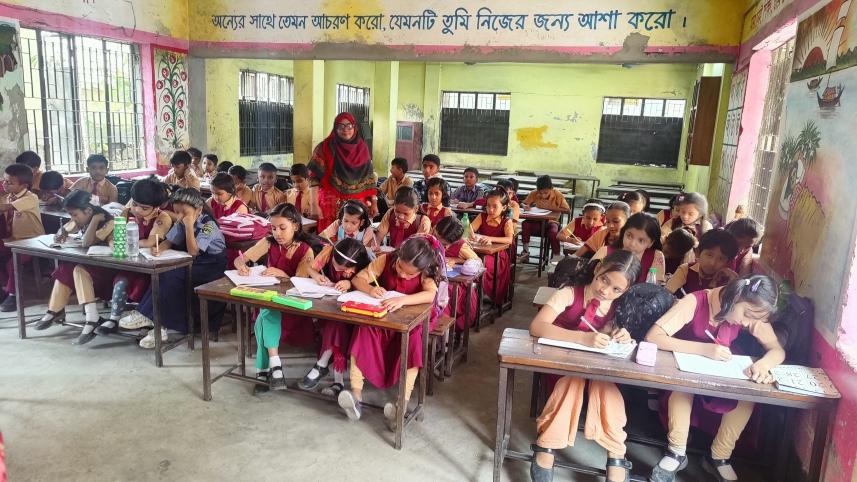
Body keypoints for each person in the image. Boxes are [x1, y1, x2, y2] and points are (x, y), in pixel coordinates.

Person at [646, 276, 783, 482]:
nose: (747, 323)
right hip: (685, 372)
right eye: (746, 314)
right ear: (735, 296)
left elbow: (777, 350)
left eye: (754, 319)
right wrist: (703, 349)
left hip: (721, 376)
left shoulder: (750, 312)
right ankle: (676, 452)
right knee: (683, 389)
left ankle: (718, 456)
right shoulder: (695, 301)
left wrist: (764, 364)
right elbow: (653, 336)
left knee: (747, 396)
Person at [529, 250, 641, 482]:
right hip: (558, 363)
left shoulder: (614, 308)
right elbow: (537, 326)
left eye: (615, 290)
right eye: (604, 280)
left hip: (593, 367)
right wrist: (581, 338)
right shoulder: (570, 294)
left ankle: (615, 451)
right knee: (573, 380)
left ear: (625, 291)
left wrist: (620, 335)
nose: (605, 290)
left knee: (606, 387)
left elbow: (608, 334)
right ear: (598, 268)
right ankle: (547, 444)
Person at [338, 235, 445, 430]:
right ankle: (356, 396)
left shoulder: (425, 271)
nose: (403, 275)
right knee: (363, 331)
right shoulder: (386, 259)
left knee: (413, 345)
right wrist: (370, 290)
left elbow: (430, 294)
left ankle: (401, 407)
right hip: (385, 316)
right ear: (398, 256)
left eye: (409, 275)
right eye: (400, 268)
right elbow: (358, 279)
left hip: (412, 321)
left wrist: (402, 300)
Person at [123, 188, 227, 348]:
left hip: (210, 268)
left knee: (171, 275)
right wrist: (160, 249)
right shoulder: (181, 221)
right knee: (162, 273)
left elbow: (193, 251)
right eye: (176, 212)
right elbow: (169, 241)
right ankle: (158, 325)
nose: (179, 217)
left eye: (183, 213)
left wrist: (188, 227)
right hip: (192, 263)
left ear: (198, 209)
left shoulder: (209, 226)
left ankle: (151, 318)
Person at [234, 203, 315, 390]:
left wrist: (282, 273)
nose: (277, 233)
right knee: (266, 312)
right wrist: (242, 267)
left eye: (282, 228)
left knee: (265, 315)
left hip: (291, 303)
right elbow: (240, 259)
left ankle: (263, 371)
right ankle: (275, 366)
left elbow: (300, 283)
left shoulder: (305, 250)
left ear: (295, 225)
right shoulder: (268, 242)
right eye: (273, 228)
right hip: (268, 296)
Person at [33, 190, 115, 344]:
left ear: (89, 211)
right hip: (89, 270)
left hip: (108, 273)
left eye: (75, 215)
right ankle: (55, 310)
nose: (73, 218)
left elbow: (87, 243)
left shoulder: (108, 221)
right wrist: (61, 232)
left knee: (77, 268)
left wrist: (95, 220)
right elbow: (66, 228)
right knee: (66, 268)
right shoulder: (81, 218)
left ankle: (92, 317)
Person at [299, 238, 371, 395]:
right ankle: (336, 381)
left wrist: (350, 283)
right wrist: (317, 277)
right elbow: (310, 268)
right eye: (335, 266)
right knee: (335, 324)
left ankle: (323, 366)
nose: (338, 271)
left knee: (337, 326)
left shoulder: (365, 264)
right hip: (330, 305)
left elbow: (367, 285)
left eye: (344, 270)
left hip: (354, 314)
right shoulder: (329, 251)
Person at [308, 112, 378, 232]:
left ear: (354, 127)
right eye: (340, 126)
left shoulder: (362, 148)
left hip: (357, 206)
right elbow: (314, 178)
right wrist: (314, 205)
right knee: (329, 240)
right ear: (335, 128)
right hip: (331, 205)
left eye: (349, 126)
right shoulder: (324, 147)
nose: (345, 130)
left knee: (354, 241)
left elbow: (369, 179)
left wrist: (374, 203)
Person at [0, 164, 45, 311]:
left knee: (13, 262)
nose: (5, 184)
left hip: (32, 241)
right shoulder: (7, 197)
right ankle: (5, 289)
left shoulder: (31, 198)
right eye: (4, 181)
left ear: (24, 185)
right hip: (13, 240)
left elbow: (7, 208)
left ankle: (13, 295)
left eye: (10, 183)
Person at [434, 216, 481, 331]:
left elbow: (478, 261)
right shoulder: (431, 238)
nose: (438, 243)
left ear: (454, 241)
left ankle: (442, 329)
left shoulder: (461, 247)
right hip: (434, 276)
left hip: (453, 282)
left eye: (444, 244)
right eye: (436, 237)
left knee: (444, 293)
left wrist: (456, 260)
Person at [593, 212, 666, 284]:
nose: (632, 244)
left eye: (641, 240)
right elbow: (587, 281)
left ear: (651, 243)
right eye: (629, 236)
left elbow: (654, 289)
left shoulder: (656, 257)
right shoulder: (605, 252)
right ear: (623, 232)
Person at [469, 188, 514, 303]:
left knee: (481, 263)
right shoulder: (482, 216)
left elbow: (509, 240)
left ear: (504, 207)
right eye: (488, 206)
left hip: (499, 255)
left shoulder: (506, 221)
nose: (490, 209)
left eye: (495, 206)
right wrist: (472, 235)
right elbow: (470, 229)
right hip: (482, 250)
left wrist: (490, 239)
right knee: (470, 261)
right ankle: (473, 291)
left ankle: (483, 291)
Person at [666, 229, 738, 297]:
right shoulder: (686, 270)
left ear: (727, 262)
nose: (712, 263)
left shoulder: (728, 278)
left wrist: (733, 284)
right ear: (698, 253)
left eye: (721, 259)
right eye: (709, 255)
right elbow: (666, 295)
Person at [520, 175, 570, 262]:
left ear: (551, 188)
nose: (543, 195)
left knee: (553, 233)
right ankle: (525, 252)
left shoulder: (557, 194)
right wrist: (525, 206)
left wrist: (550, 208)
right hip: (536, 222)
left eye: (546, 193)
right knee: (525, 224)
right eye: (540, 192)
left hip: (551, 222)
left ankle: (556, 256)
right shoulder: (534, 193)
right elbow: (523, 203)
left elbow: (567, 210)